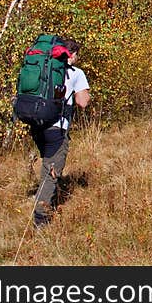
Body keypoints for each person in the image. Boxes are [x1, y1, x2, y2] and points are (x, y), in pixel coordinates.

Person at [30, 37, 90, 229]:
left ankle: (44, 199)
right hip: (57, 128)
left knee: (48, 164)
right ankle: (41, 220)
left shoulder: (45, 69)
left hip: (37, 126)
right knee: (52, 172)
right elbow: (83, 102)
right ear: (71, 55)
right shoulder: (76, 73)